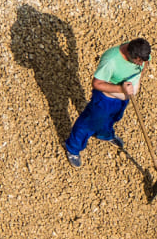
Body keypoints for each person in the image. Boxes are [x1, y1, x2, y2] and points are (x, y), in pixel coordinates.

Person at [65, 37, 151, 166]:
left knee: (113, 118)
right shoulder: (111, 60)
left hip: (123, 99)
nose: (141, 64)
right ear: (130, 54)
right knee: (89, 122)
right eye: (138, 62)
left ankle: (104, 134)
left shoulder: (141, 52)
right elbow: (97, 83)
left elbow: (146, 63)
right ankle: (73, 148)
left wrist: (138, 78)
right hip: (106, 99)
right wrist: (120, 89)